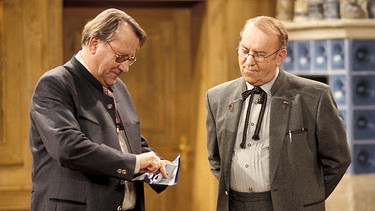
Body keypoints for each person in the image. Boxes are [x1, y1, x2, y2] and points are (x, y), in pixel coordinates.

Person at [29, 8, 170, 211]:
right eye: (121, 57)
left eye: (130, 59)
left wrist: (155, 162)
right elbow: (68, 147)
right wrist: (135, 163)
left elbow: (130, 140)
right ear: (95, 43)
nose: (125, 68)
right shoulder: (55, 83)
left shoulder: (118, 87)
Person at [205, 16, 351, 211]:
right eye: (245, 51)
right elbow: (216, 160)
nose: (249, 61)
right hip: (234, 205)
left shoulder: (314, 97)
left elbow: (338, 159)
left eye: (259, 54)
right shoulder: (216, 97)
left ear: (279, 57)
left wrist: (304, 198)